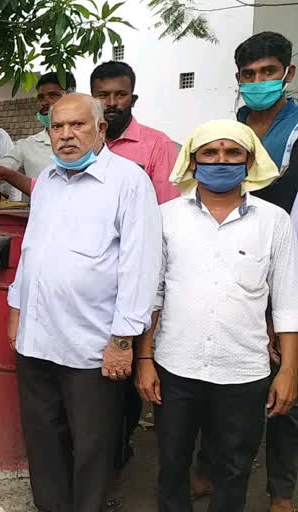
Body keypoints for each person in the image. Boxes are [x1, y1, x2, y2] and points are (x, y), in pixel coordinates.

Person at [7, 93, 162, 512]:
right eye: (58, 127)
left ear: (100, 130)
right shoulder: (47, 184)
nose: (66, 135)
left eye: (77, 125)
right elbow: (31, 252)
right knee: (43, 440)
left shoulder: (129, 181)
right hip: (36, 339)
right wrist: (16, 310)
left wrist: (123, 341)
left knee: (93, 447)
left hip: (93, 346)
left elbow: (141, 265)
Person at [136, 119, 298, 512]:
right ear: (193, 161)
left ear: (248, 161)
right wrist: (144, 359)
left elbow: (287, 300)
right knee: (172, 466)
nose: (220, 161)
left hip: (243, 372)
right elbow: (151, 294)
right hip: (176, 367)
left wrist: (289, 370)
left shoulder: (273, 221)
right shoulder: (166, 216)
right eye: (210, 152)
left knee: (234, 468)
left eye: (232, 153)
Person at [90, 61, 179, 204]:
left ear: (133, 100)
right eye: (103, 95)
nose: (111, 102)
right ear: (91, 101)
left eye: (121, 95)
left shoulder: (158, 145)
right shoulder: (82, 141)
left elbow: (167, 208)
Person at [0, 71, 76, 201]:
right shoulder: (27, 146)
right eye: (41, 97)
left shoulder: (90, 141)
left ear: (72, 98)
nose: (45, 102)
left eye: (53, 95)